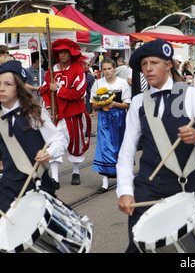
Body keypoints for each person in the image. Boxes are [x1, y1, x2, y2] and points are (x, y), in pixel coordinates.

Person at [116, 38, 195, 253]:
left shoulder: (191, 95)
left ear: (169, 65)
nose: (148, 69)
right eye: (144, 65)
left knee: (193, 249)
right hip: (149, 186)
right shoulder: (138, 103)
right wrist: (125, 191)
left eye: (154, 63)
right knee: (140, 246)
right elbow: (127, 152)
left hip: (186, 187)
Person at [0, 60, 67, 213]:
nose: (1, 88)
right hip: (6, 189)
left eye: (8, 84)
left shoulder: (34, 113)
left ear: (19, 87)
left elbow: (59, 140)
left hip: (36, 185)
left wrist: (49, 153)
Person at [38, 39, 91, 188]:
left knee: (75, 142)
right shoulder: (51, 70)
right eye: (60, 52)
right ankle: (55, 177)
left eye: (65, 52)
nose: (62, 55)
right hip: (55, 113)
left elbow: (79, 93)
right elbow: (45, 90)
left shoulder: (78, 70)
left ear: (70, 54)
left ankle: (76, 172)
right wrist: (49, 107)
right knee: (53, 142)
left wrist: (59, 89)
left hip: (73, 113)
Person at [91, 58, 131, 193]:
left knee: (120, 148)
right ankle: (105, 182)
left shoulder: (122, 83)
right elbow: (93, 105)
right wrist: (103, 104)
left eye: (109, 68)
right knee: (104, 148)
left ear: (114, 69)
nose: (107, 71)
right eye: (104, 69)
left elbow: (127, 104)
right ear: (101, 70)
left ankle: (121, 179)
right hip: (104, 119)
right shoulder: (97, 83)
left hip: (119, 118)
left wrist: (115, 104)